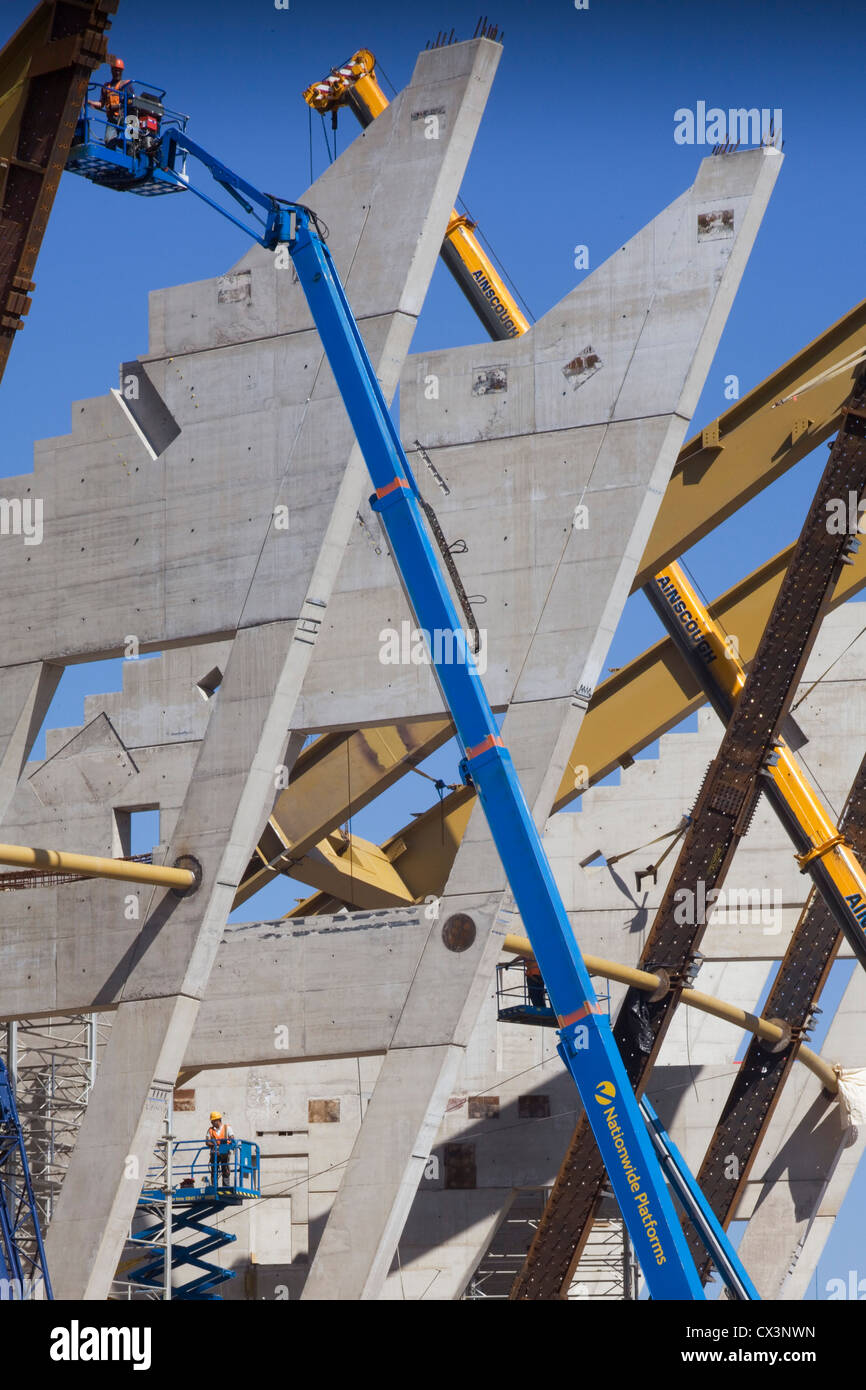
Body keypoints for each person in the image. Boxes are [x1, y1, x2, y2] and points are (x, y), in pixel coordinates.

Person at [88, 56, 131, 144]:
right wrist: (88, 102)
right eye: (115, 70)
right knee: (108, 141)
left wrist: (118, 106)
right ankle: (117, 143)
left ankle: (125, 145)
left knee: (131, 144)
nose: (117, 72)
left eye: (119, 70)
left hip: (127, 118)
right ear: (111, 70)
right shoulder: (106, 87)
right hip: (112, 119)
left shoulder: (126, 84)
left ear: (122, 71)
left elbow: (131, 102)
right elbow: (101, 104)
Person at [205, 1110, 235, 1189]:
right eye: (212, 1121)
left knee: (225, 1168)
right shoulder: (210, 1130)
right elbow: (207, 1142)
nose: (212, 1123)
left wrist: (219, 1144)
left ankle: (226, 1186)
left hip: (224, 1150)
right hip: (214, 1151)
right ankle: (214, 1186)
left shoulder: (227, 1128)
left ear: (218, 1120)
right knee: (214, 1170)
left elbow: (232, 1139)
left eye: (213, 1121)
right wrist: (215, 1145)